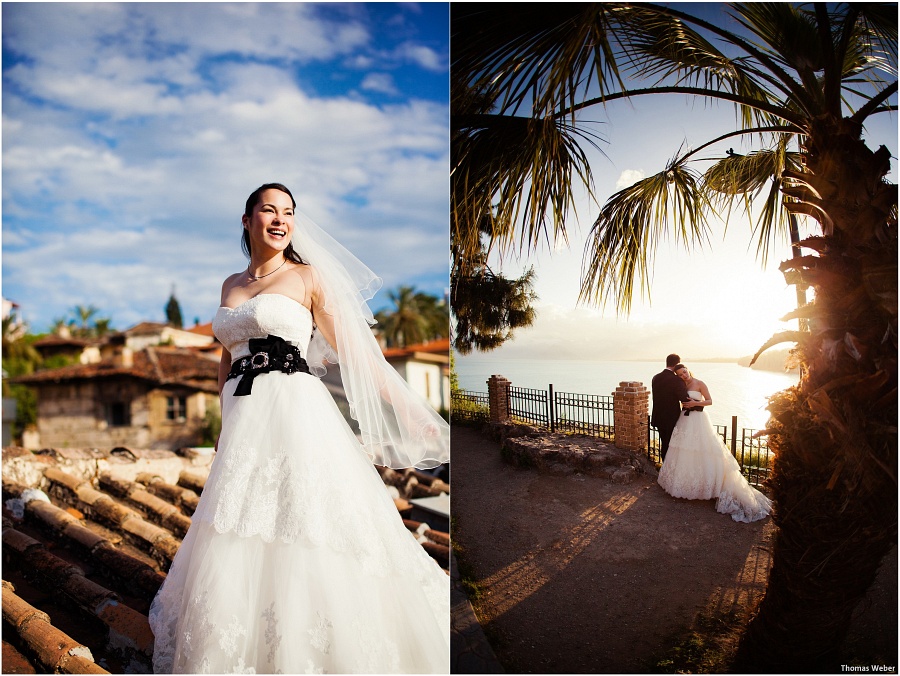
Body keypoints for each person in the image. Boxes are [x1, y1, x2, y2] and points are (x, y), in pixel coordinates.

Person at [148, 183, 450, 673]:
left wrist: (410, 409)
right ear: (246, 221)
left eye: (288, 212)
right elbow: (226, 358)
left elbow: (355, 353)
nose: (280, 219)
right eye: (268, 210)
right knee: (240, 522)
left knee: (304, 516)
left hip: (294, 408)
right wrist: (226, 423)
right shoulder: (230, 285)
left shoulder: (308, 278)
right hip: (244, 418)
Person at [657, 364, 772, 523]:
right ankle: (686, 485)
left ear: (688, 370)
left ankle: (709, 487)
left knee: (704, 450)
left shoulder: (699, 383)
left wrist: (695, 404)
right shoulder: (681, 385)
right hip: (684, 419)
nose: (684, 376)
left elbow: (710, 401)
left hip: (699, 420)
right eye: (680, 375)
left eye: (684, 372)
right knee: (684, 451)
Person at [650, 353, 693, 461]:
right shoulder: (676, 380)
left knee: (665, 444)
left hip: (658, 418)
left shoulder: (656, 377)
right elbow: (684, 399)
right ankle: (668, 471)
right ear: (677, 364)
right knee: (671, 446)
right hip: (671, 419)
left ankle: (664, 468)